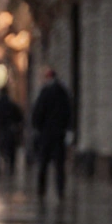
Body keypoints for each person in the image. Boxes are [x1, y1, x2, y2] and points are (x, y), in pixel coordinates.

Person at [31, 68, 73, 200]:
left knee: (43, 163)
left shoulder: (45, 92)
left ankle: (41, 190)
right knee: (59, 165)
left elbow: (38, 112)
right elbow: (69, 112)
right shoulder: (63, 92)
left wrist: (37, 127)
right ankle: (60, 190)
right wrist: (68, 128)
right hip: (59, 133)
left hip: (46, 133)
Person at [0, 87, 24, 179]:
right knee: (11, 152)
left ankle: (0, 168)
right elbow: (20, 117)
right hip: (9, 132)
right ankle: (10, 170)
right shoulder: (12, 105)